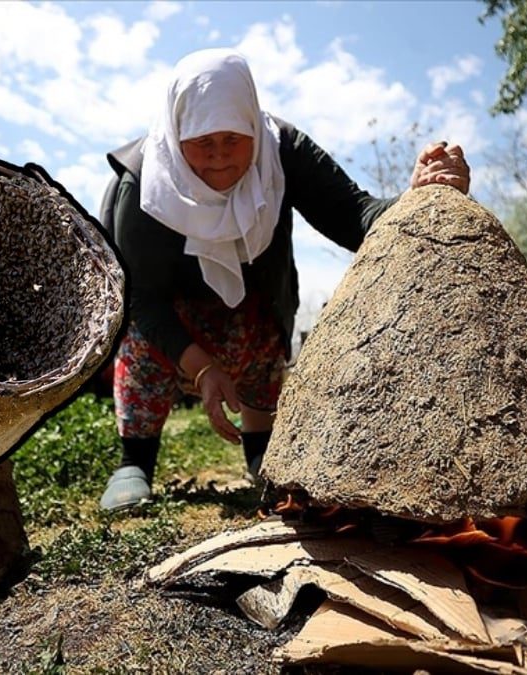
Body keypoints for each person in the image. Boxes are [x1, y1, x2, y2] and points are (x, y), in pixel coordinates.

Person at [98, 49, 470, 511]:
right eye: (202, 141)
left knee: (258, 336)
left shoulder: (282, 151)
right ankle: (134, 460)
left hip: (252, 314)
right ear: (177, 135)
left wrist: (418, 194)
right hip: (169, 320)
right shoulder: (144, 185)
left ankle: (263, 453)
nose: (219, 156)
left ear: (254, 129)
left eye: (233, 139)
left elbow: (355, 217)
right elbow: (143, 301)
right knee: (143, 344)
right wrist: (204, 368)